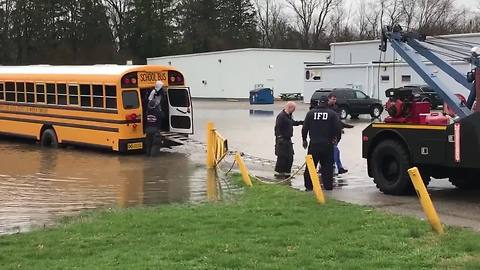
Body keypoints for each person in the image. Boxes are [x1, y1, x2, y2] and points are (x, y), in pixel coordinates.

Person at [302, 95, 342, 191]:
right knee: (327, 168)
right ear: (327, 102)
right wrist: (337, 140)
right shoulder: (332, 114)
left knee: (311, 167)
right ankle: (328, 187)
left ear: (319, 103)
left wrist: (304, 140)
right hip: (327, 144)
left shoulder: (310, 113)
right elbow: (338, 129)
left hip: (314, 144)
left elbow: (304, 128)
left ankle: (309, 187)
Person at [274, 101, 303, 178]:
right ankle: (279, 175)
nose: (294, 110)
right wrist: (280, 138)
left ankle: (287, 174)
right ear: (290, 107)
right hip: (282, 141)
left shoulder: (288, 116)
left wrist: (302, 122)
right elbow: (277, 128)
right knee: (282, 158)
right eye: (294, 109)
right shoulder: (281, 116)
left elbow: (292, 123)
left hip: (288, 140)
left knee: (290, 157)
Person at [327, 93, 353, 174]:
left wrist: (341, 128)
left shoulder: (336, 107)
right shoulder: (326, 109)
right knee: (335, 150)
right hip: (329, 134)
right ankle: (339, 168)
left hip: (336, 134)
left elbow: (338, 121)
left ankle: (331, 165)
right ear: (329, 99)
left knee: (332, 150)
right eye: (333, 99)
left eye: (335, 99)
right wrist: (347, 126)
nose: (335, 101)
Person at [144, 81, 167, 156]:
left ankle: (148, 156)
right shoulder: (158, 112)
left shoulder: (147, 112)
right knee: (155, 144)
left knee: (149, 143)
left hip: (148, 129)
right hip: (155, 130)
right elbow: (163, 116)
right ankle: (153, 159)